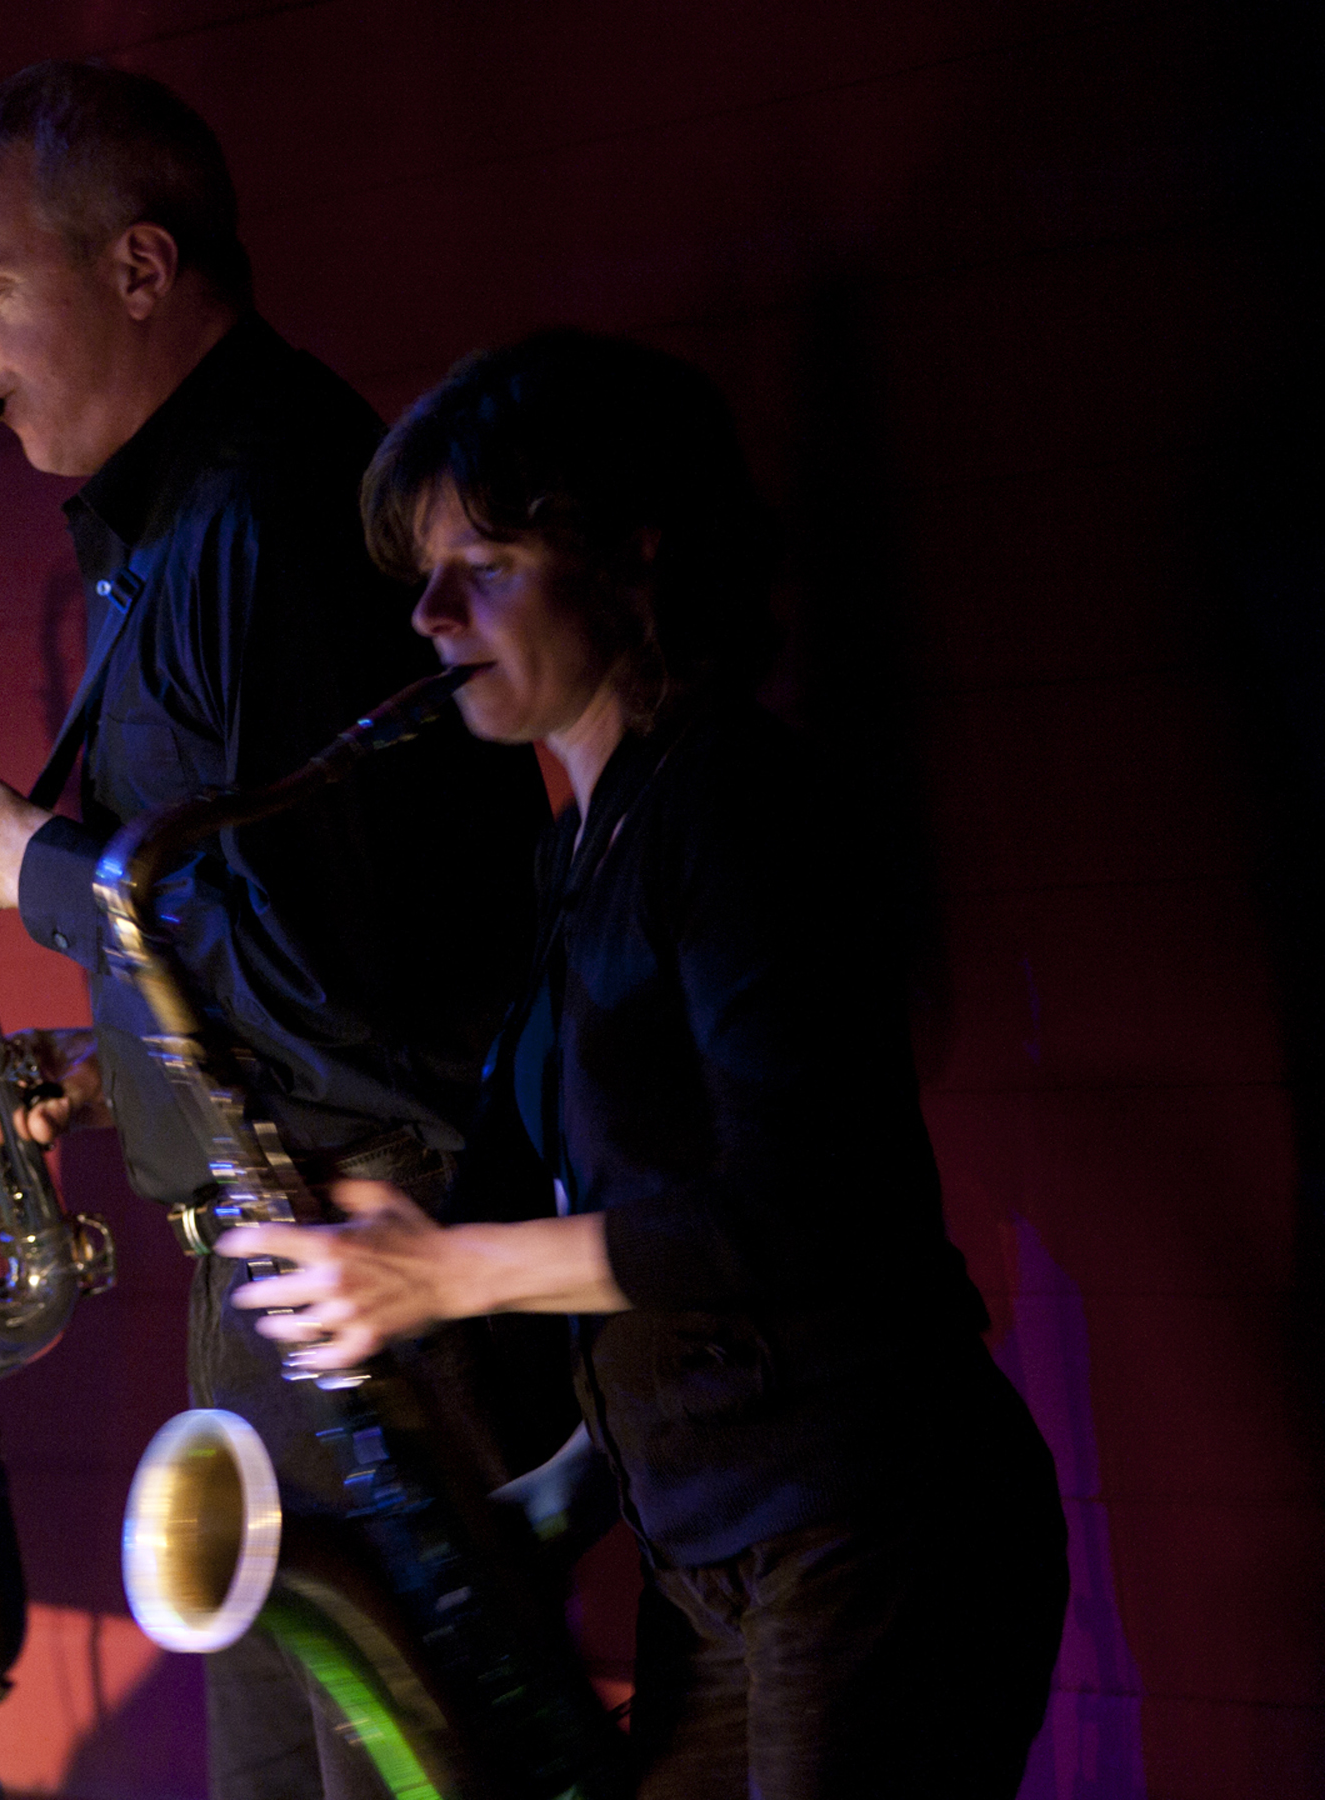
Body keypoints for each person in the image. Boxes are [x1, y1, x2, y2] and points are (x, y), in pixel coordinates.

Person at [0, 61, 553, 1799]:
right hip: (281, 1262)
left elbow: (342, 968)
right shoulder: (178, 520)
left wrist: (26, 865)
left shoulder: (272, 512)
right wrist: (120, 1063)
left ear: (142, 268)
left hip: (371, 1268)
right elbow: (275, 931)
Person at [224, 329, 1069, 1798]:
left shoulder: (736, 807)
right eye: (425, 573)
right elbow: (648, 1239)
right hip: (719, 1550)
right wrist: (548, 1497)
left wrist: (452, 1273)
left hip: (867, 1529)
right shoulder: (579, 848)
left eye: (484, 565)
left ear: (635, 559)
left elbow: (798, 1212)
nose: (428, 614)